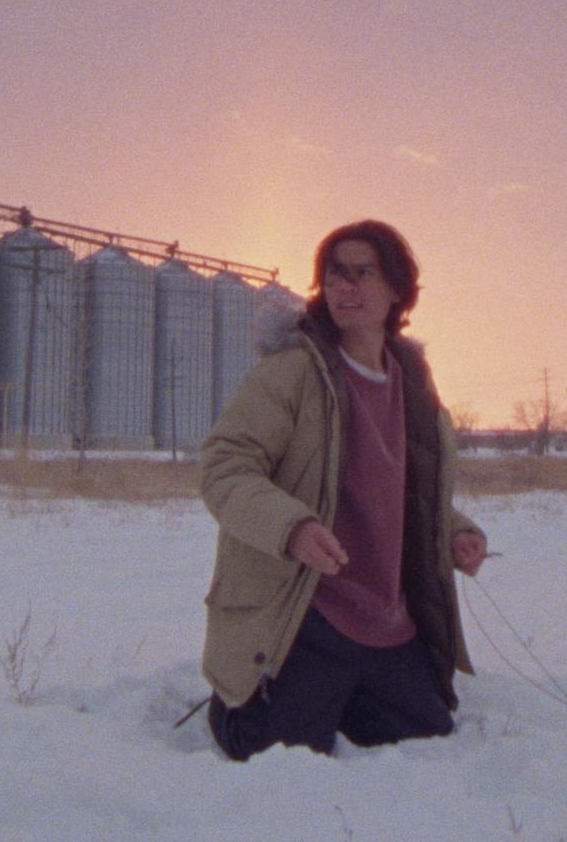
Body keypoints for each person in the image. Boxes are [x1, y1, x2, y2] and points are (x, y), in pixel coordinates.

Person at [198, 219, 488, 760]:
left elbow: (403, 485)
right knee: (266, 751)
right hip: (309, 611)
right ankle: (243, 696)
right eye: (334, 275)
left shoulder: (413, 382)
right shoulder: (293, 372)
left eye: (362, 274)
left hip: (387, 620)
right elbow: (223, 467)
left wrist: (456, 532)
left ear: (397, 289)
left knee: (430, 738)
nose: (345, 287)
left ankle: (349, 689)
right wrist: (293, 528)